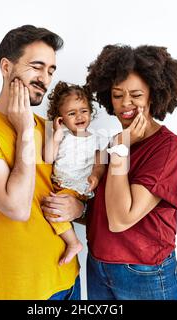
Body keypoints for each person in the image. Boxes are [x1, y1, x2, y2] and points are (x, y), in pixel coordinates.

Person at [0, 25, 85, 300]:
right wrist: (23, 129)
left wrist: (78, 207)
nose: (45, 79)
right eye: (37, 67)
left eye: (50, 70)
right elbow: (17, 207)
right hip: (22, 290)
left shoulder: (48, 128)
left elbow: (70, 185)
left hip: (68, 277)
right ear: (5, 66)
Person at [65, 44, 177, 300]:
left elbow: (121, 219)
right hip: (98, 266)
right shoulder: (117, 143)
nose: (125, 104)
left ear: (153, 95)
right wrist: (79, 210)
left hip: (144, 273)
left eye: (136, 95)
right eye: (118, 95)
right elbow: (105, 211)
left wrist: (120, 148)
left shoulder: (168, 148)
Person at [44, 81, 107, 266]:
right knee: (52, 208)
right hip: (60, 185)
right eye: (72, 113)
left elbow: (99, 163)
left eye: (84, 110)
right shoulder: (61, 135)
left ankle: (73, 243)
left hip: (78, 187)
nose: (79, 116)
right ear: (61, 118)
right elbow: (48, 158)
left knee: (54, 211)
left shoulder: (97, 139)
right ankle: (71, 240)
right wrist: (55, 137)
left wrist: (95, 176)